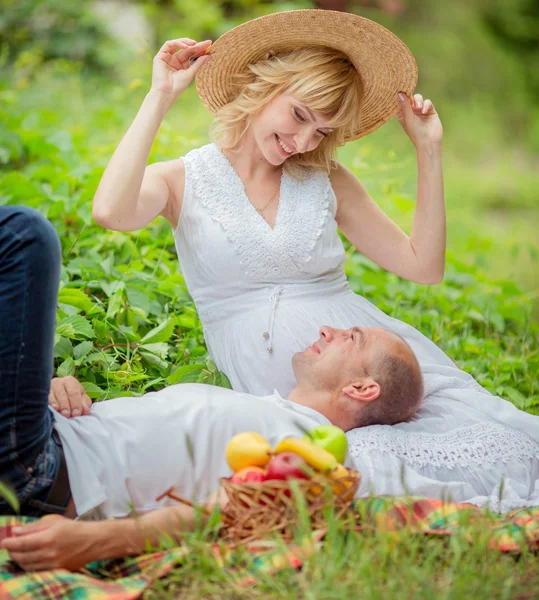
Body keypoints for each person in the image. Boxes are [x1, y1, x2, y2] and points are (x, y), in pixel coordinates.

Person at [90, 7, 539, 502]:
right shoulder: (181, 179)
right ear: (264, 88)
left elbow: (423, 267)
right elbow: (111, 211)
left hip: (363, 361)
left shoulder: (324, 179)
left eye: (323, 131)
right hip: (280, 377)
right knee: (342, 474)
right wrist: (160, 97)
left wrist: (427, 151)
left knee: (495, 447)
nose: (303, 141)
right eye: (300, 115)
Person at [0, 207, 537, 572]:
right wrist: (58, 388)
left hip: (43, 472)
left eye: (349, 336)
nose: (327, 329)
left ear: (363, 387)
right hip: (49, 433)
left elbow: (229, 507)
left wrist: (91, 543)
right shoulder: (265, 411)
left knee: (26, 236)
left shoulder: (313, 452)